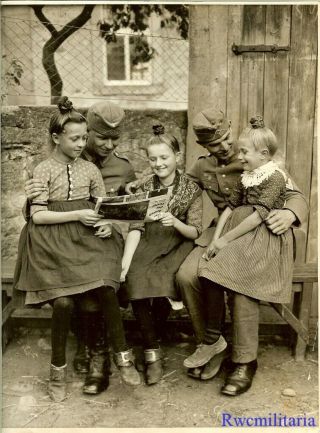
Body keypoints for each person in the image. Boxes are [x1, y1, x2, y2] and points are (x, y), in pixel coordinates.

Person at [13, 97, 141, 402]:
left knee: (106, 287)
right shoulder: (42, 169)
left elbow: (102, 208)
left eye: (85, 137)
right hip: (50, 244)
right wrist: (76, 214)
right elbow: (36, 215)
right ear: (56, 138)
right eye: (76, 138)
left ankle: (121, 356)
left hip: (85, 240)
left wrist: (107, 224)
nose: (82, 143)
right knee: (63, 305)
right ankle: (58, 369)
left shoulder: (93, 170)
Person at [175, 108, 308, 382]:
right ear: (204, 146)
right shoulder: (202, 167)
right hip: (221, 231)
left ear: (232, 130)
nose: (224, 147)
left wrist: (290, 214)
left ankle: (245, 359)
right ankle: (211, 344)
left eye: (226, 139)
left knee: (240, 284)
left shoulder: (257, 156)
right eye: (215, 144)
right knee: (187, 276)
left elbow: (294, 194)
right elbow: (178, 194)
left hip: (256, 234)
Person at [121, 124, 203, 385]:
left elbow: (195, 232)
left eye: (164, 157)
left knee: (163, 279)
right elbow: (135, 226)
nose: (158, 164)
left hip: (177, 243)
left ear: (177, 157)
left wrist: (175, 222)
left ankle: (150, 339)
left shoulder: (192, 189)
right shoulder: (144, 187)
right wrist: (125, 262)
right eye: (153, 159)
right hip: (148, 239)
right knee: (134, 276)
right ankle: (152, 351)